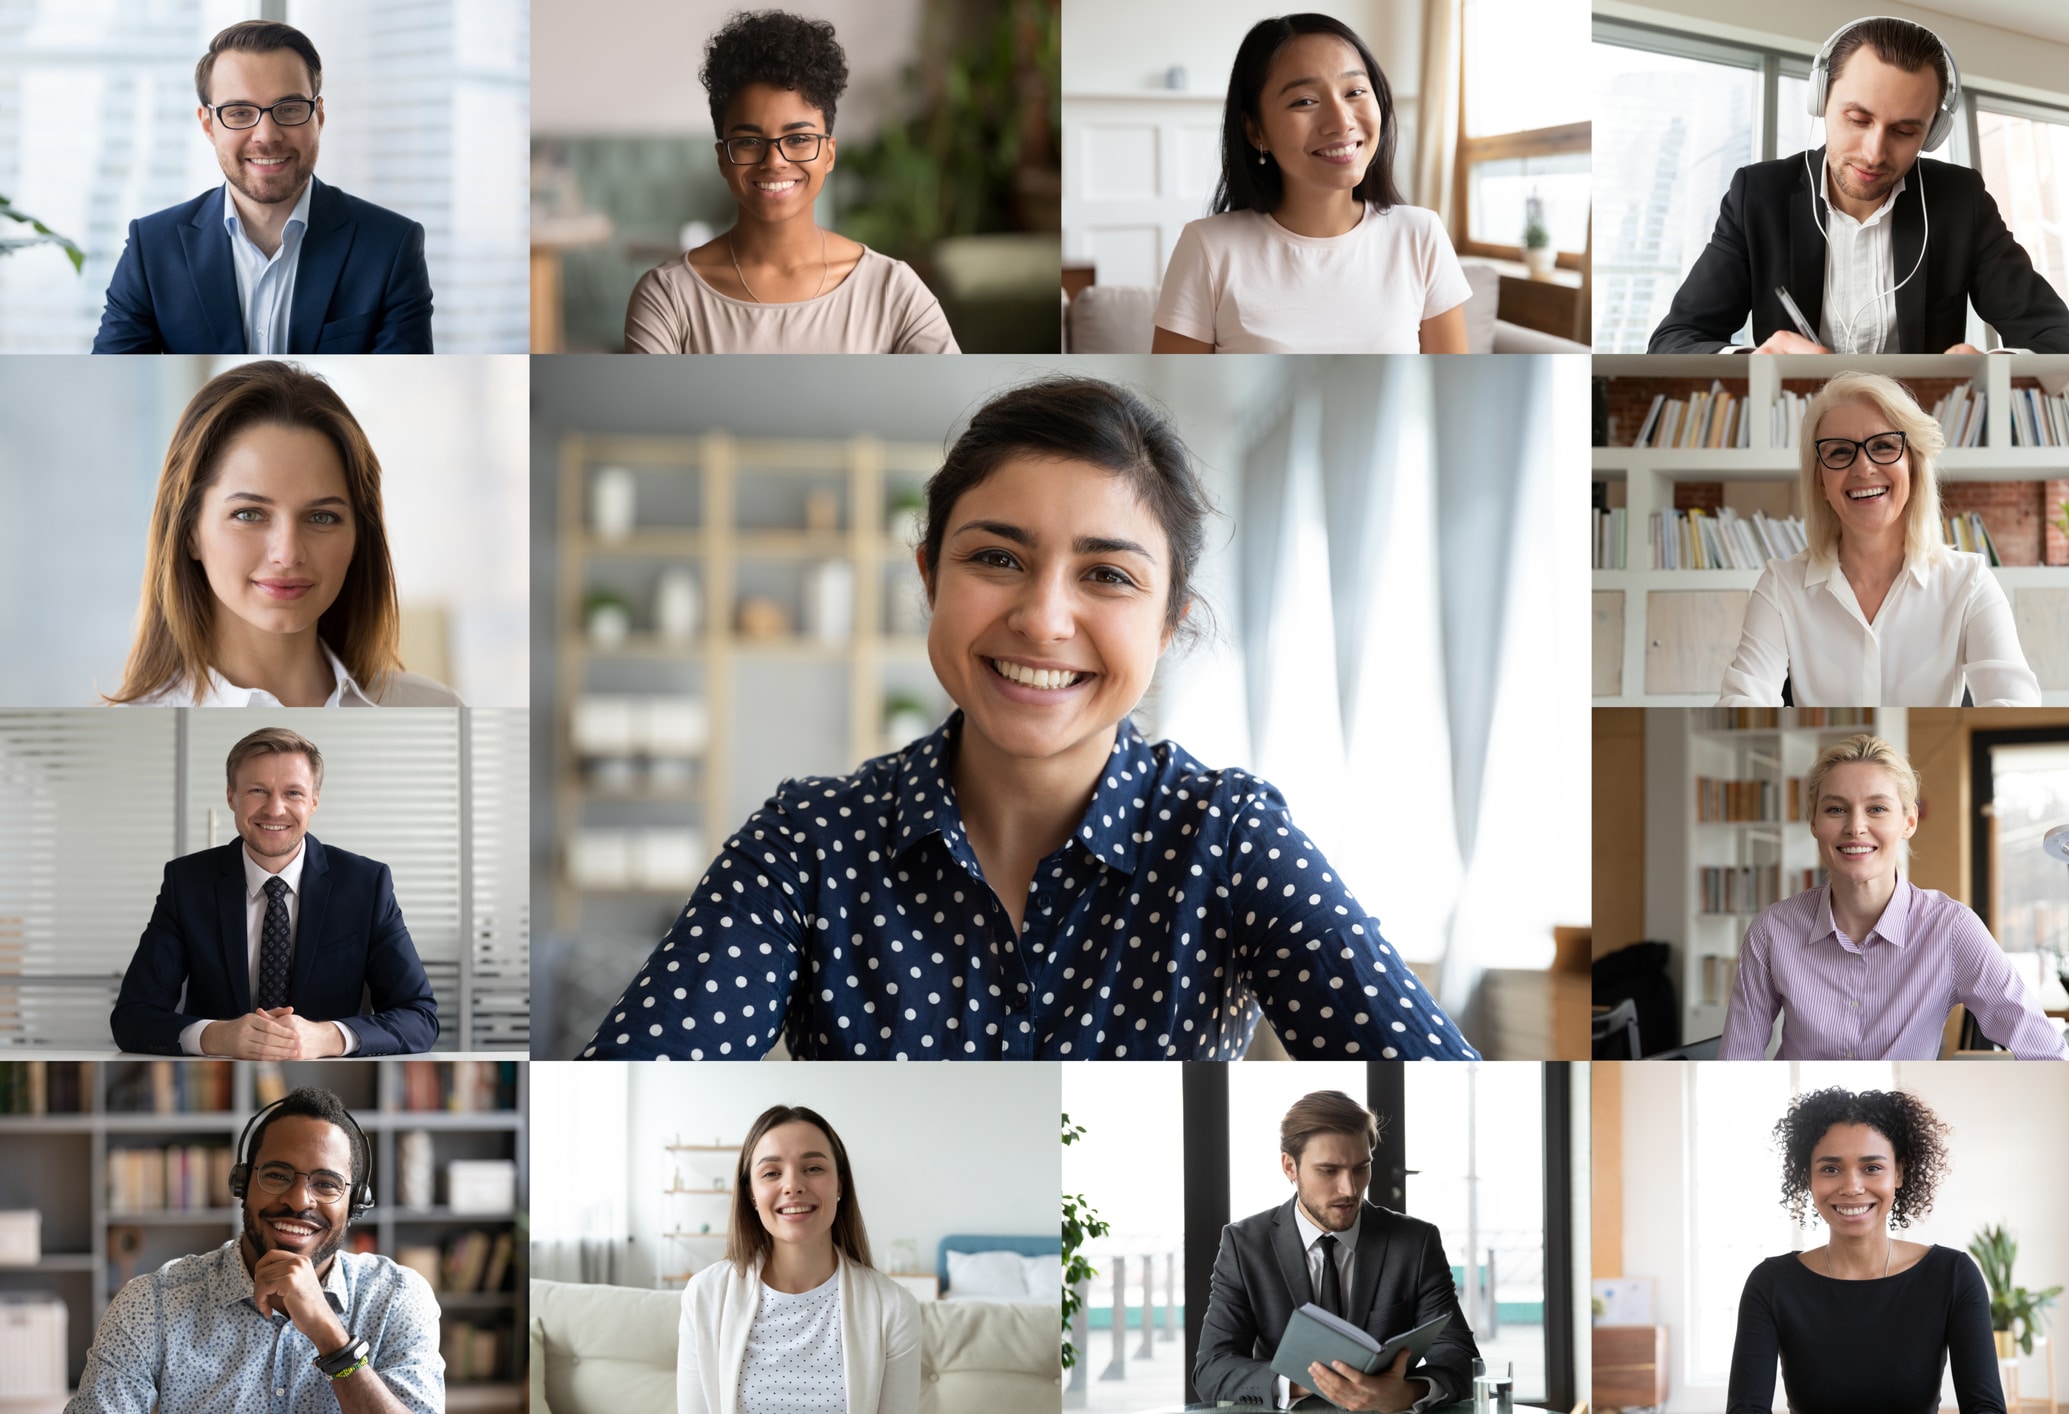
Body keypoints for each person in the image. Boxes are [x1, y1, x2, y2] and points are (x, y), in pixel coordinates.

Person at [577, 375, 1476, 1060]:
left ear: (1169, 623)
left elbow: (1430, 1084)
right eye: (997, 558)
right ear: (929, 576)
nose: (1043, 618)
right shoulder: (808, 842)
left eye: (1107, 574)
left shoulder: (1228, 840)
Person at [1650, 16, 2069, 355]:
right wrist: (1754, 361)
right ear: (1821, 99)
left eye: (1904, 131)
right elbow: (1675, 340)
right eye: (1858, 119)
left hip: (1915, 447)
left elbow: (2064, 342)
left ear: (1933, 133)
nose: (1874, 153)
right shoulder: (1758, 196)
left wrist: (1994, 371)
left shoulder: (1961, 203)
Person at [104, 360, 461, 707]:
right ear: (189, 532)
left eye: (321, 517)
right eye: (249, 514)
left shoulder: (437, 709)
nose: (288, 554)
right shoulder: (124, 740)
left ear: (358, 538)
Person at [65, 1086, 444, 1414]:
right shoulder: (152, 1304)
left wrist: (331, 1338)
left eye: (326, 1183)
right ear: (243, 1184)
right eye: (277, 1175)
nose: (299, 1201)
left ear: (356, 1203)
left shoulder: (397, 1298)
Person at [625, 10, 957, 354]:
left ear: (829, 154)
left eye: (798, 139)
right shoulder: (667, 297)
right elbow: (648, 410)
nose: (774, 162)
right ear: (722, 158)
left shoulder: (891, 289)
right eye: (749, 141)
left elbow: (957, 405)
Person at [92, 20, 433, 354]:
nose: (267, 135)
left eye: (289, 109)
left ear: (319, 116)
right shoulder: (151, 248)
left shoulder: (391, 247)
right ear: (209, 125)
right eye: (240, 113)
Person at [1719, 734, 2067, 1060]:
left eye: (1877, 809)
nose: (1855, 826)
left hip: (1905, 1118)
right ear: (1813, 822)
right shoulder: (1773, 929)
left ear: (1909, 821)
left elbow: (2046, 1053)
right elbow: (1737, 1064)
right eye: (1836, 809)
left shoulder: (1951, 929)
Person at [1150, 13, 1470, 354]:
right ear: (1256, 130)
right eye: (1305, 101)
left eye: (1355, 92)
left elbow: (1455, 392)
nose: (1341, 121)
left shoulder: (1421, 235)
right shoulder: (1208, 248)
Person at [110, 727, 440, 1057]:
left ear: (314, 801)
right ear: (231, 797)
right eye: (258, 790)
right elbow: (132, 1017)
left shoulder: (367, 884)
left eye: (293, 793)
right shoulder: (186, 883)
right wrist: (216, 1036)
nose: (275, 809)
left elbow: (419, 1016)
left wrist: (328, 1037)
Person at [1716, 371, 2038, 707]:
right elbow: (1742, 702)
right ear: (1820, 483)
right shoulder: (1781, 586)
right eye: (1840, 452)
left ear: (1913, 467)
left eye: (1883, 446)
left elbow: (2015, 704)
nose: (1863, 467)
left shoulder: (1969, 581)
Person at [1728, 1087, 2007, 1414]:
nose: (1852, 1187)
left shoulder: (1953, 1275)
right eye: (1830, 1169)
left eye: (1872, 1167)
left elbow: (1985, 1408)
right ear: (1808, 1178)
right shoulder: (1771, 1283)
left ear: (1899, 1173)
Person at [1194, 1092, 1477, 1411]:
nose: (1350, 1189)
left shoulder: (1415, 1241)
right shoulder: (1244, 1244)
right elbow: (1212, 1369)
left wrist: (1408, 1393)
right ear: (1290, 1167)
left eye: (1361, 1168)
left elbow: (1460, 1354)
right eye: (1329, 1171)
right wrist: (1309, 1382)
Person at [678, 1105, 918, 1414]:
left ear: (840, 1184)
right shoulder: (704, 1296)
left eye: (813, 1168)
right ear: (751, 1193)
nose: (793, 1185)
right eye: (771, 1173)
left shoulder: (894, 1308)